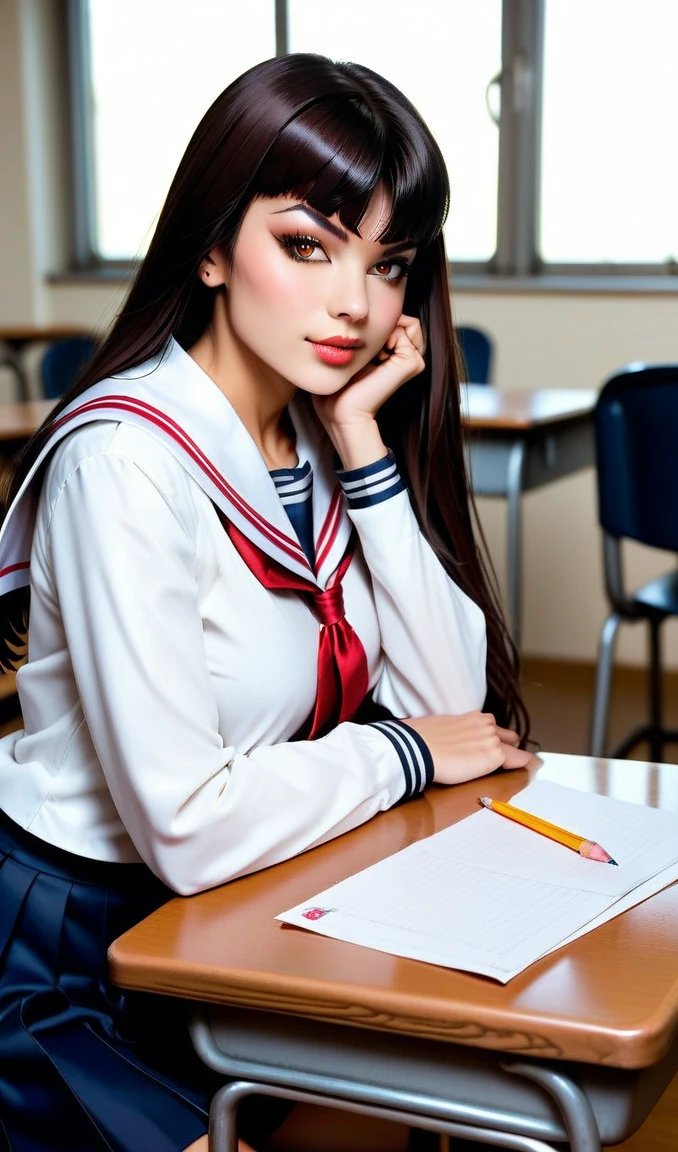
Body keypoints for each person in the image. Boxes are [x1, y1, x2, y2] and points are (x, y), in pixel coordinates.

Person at [0, 53, 531, 1152]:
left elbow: (456, 705)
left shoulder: (313, 440)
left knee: (406, 1090)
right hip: (65, 950)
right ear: (208, 248)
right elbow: (190, 821)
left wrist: (361, 439)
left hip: (232, 917)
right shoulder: (126, 461)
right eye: (307, 245)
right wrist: (406, 757)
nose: (353, 302)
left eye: (389, 266)